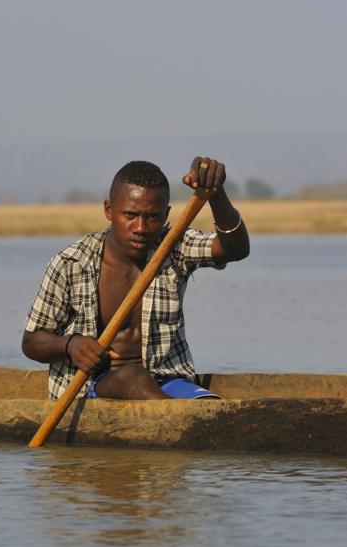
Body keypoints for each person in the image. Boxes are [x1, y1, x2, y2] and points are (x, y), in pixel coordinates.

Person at [22, 156, 249, 400]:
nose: (141, 228)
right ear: (109, 210)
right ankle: (180, 420)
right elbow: (32, 341)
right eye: (130, 215)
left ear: (166, 214)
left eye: (152, 217)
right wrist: (70, 345)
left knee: (210, 405)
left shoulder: (172, 247)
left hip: (167, 381)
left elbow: (235, 250)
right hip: (92, 388)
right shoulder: (71, 263)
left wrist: (215, 194)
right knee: (133, 378)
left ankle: (186, 417)